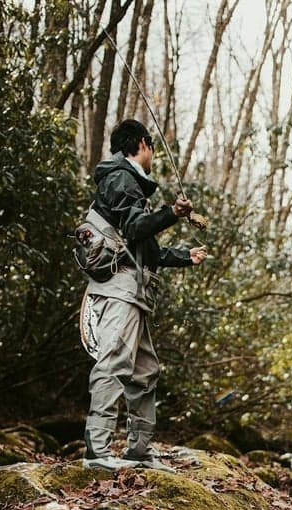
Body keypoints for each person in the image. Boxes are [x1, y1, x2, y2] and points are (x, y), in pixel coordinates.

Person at [82, 118, 208, 470]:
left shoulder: (128, 183)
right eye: (151, 148)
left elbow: (144, 247)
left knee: (145, 370)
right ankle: (98, 451)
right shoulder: (120, 178)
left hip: (133, 291)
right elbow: (135, 227)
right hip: (119, 290)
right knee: (115, 362)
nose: (153, 154)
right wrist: (172, 213)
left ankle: (138, 451)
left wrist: (186, 257)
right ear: (142, 144)